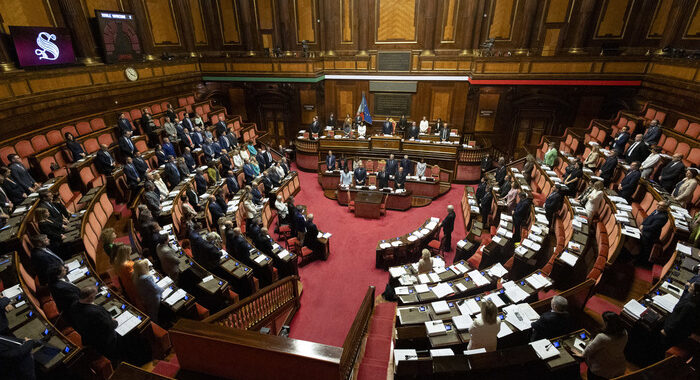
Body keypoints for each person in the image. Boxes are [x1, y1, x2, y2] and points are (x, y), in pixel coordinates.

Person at [68, 286, 122, 362]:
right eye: (95, 295)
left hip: (89, 338)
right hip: (105, 340)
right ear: (90, 297)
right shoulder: (96, 312)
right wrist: (115, 322)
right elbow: (109, 326)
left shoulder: (74, 305)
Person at [572, 311, 627, 380]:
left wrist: (582, 354)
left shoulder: (602, 337)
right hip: (619, 365)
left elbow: (589, 350)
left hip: (601, 369)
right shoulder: (624, 332)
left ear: (606, 323)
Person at [661, 281, 700, 348]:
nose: (689, 286)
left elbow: (679, 321)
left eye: (691, 287)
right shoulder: (691, 296)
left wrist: (666, 331)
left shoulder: (690, 306)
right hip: (676, 327)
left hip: (673, 333)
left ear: (696, 293)